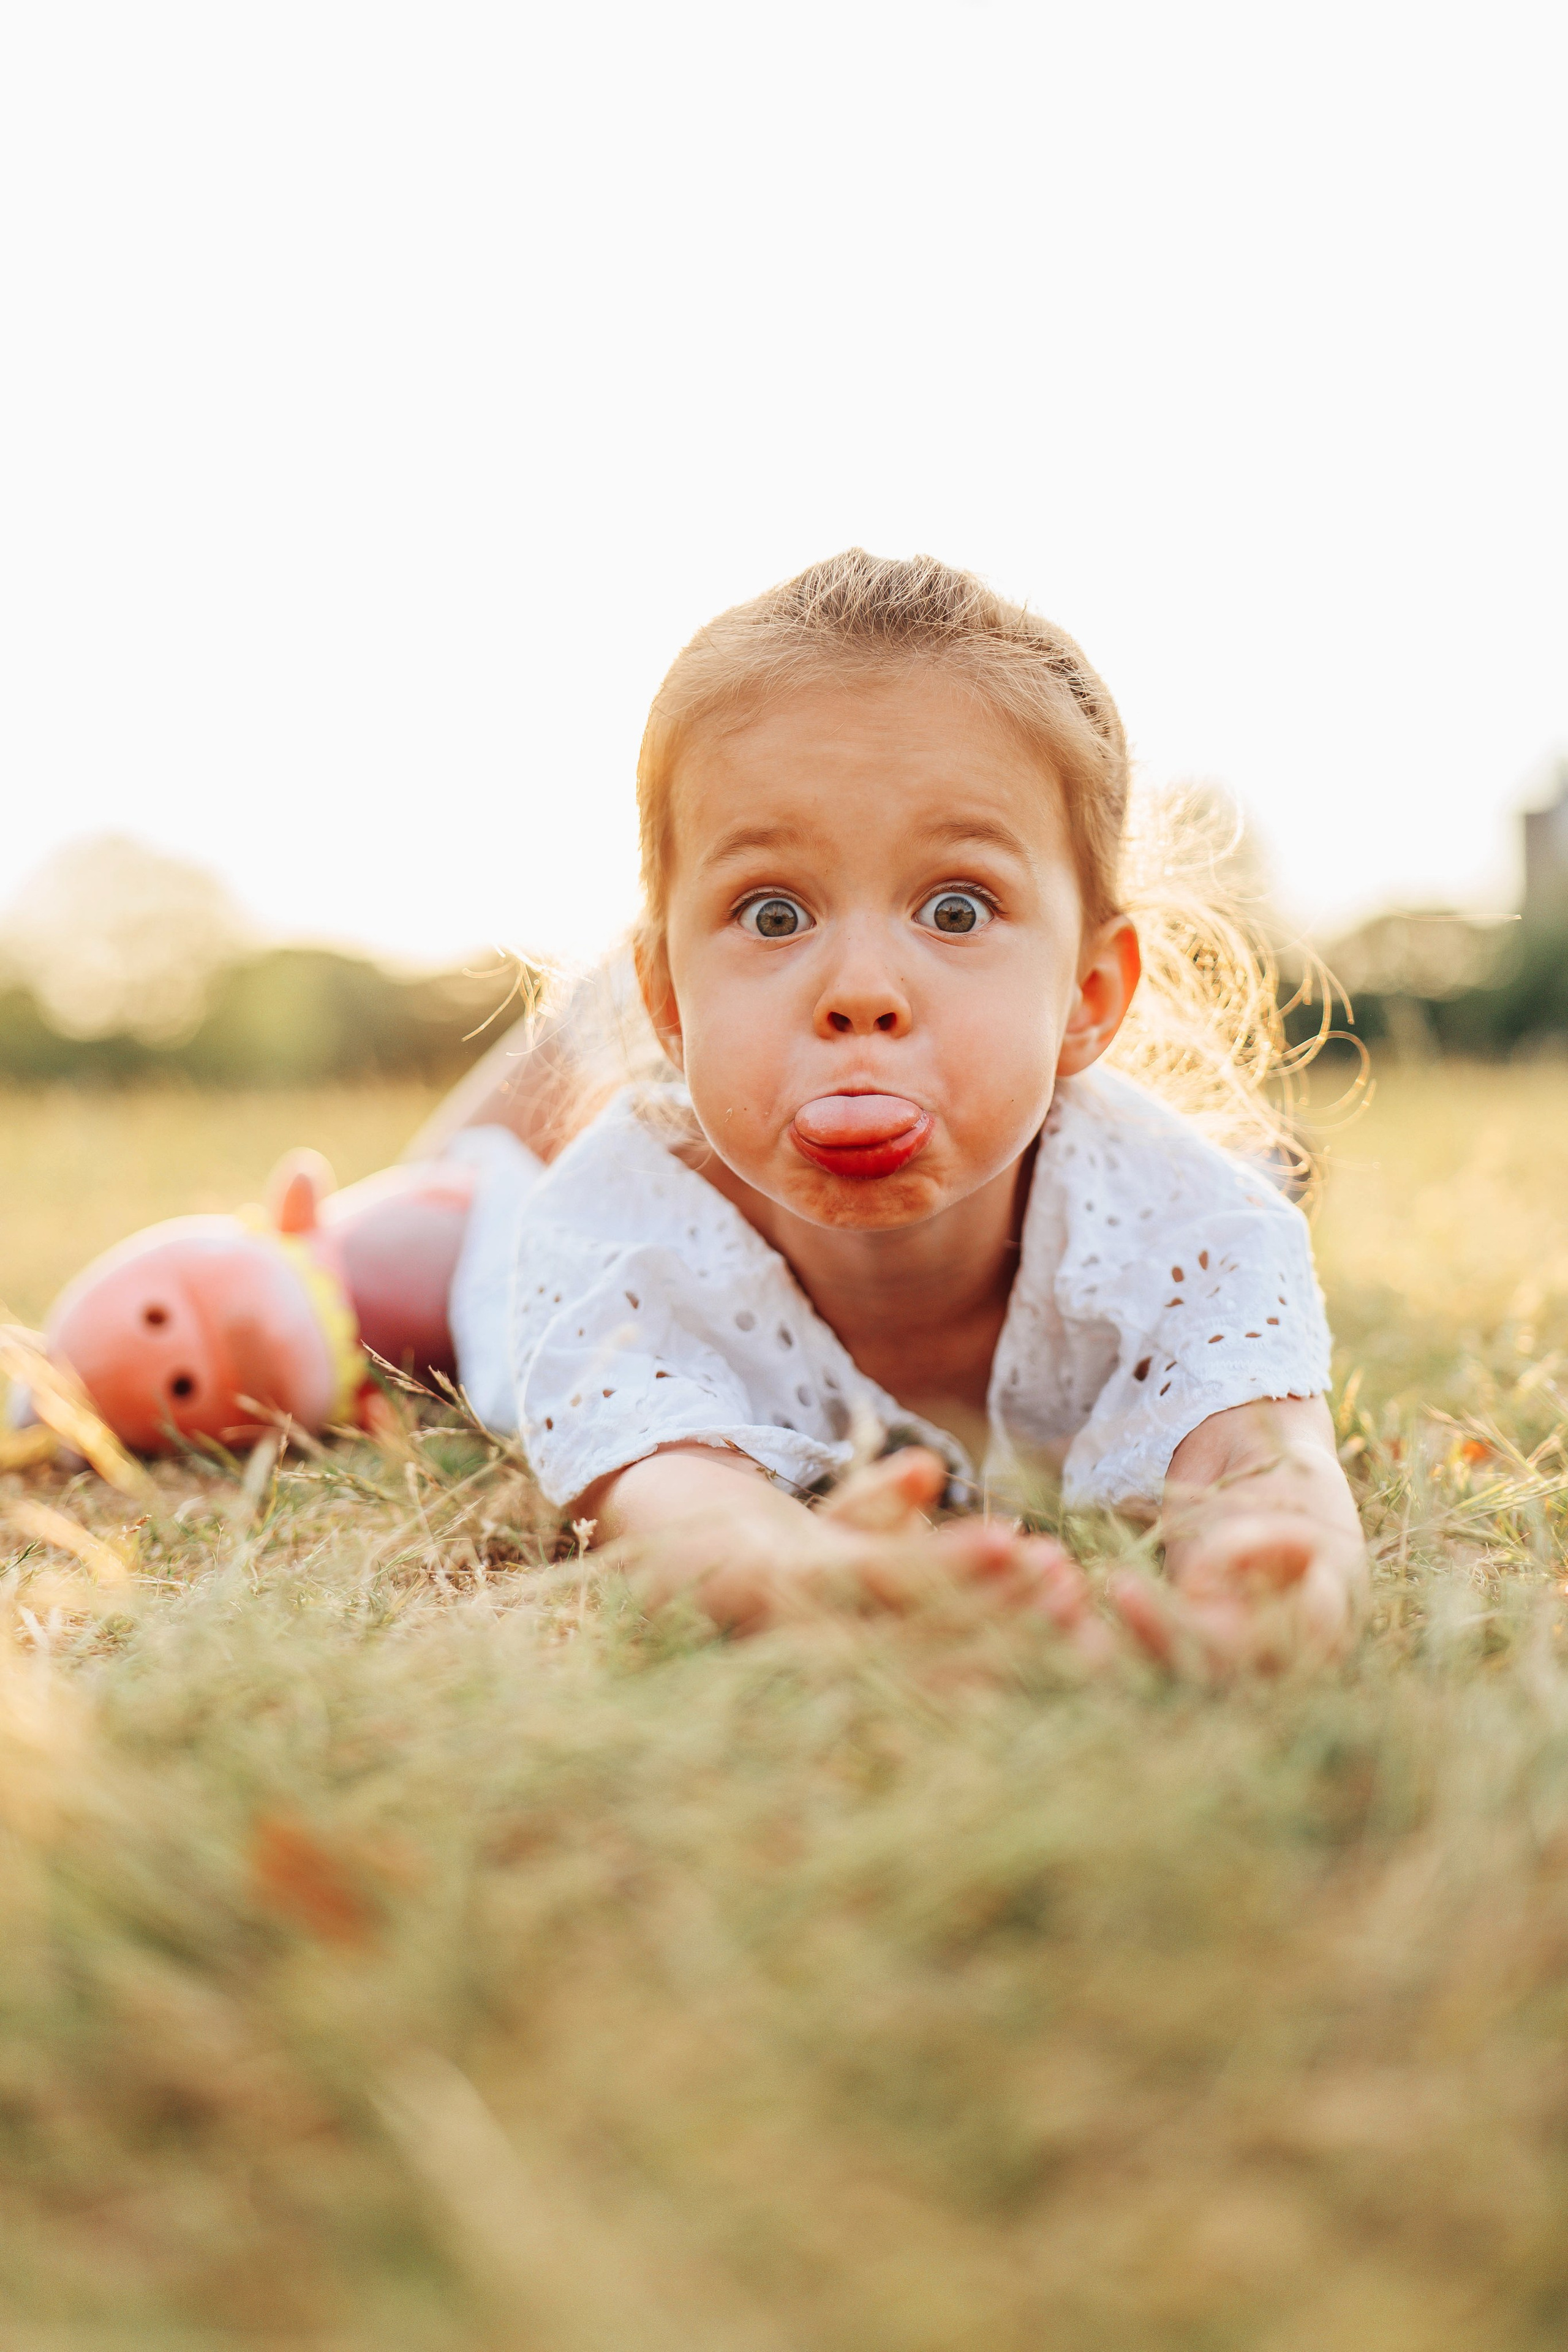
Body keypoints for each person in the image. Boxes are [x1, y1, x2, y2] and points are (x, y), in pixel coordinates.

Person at [434, 551, 1363, 1667]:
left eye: (958, 908)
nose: (862, 991)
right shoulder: (609, 1230)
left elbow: (1269, 1455)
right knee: (426, 1224)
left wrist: (1277, 1552)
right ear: (669, 999)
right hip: (493, 1243)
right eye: (773, 914)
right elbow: (669, 1488)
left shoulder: (1196, 1230)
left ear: (1090, 992)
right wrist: (787, 1568)